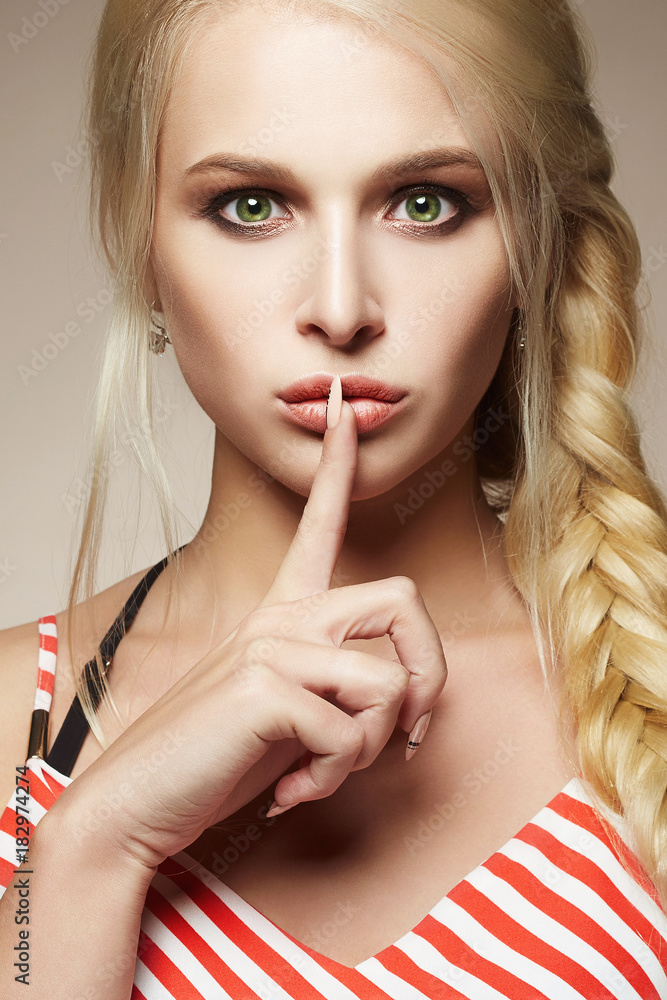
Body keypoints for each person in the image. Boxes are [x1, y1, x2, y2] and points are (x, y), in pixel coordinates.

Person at [1, 0, 666, 995]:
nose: (343, 309)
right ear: (137, 244)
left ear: (538, 243)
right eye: (252, 206)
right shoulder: (15, 717)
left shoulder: (645, 684)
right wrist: (93, 848)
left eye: (426, 202)